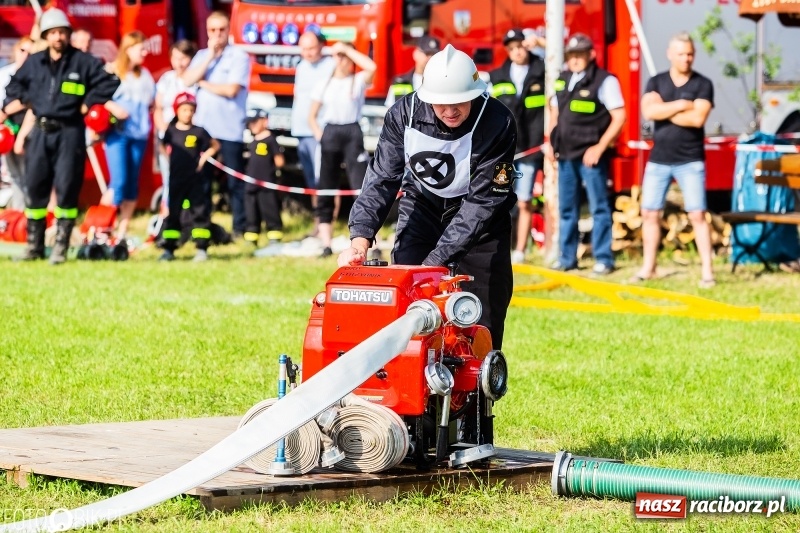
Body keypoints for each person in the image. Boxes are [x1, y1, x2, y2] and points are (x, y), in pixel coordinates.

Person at [337, 45, 517, 349]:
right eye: (440, 103)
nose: (450, 111)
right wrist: (360, 237)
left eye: (459, 101)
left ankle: (475, 392)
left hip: (482, 223)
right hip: (423, 206)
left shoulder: (498, 122)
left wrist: (434, 264)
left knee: (482, 318)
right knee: (407, 302)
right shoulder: (403, 115)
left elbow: (483, 203)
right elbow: (382, 177)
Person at [2, 8, 119, 264]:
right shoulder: (35, 62)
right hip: (41, 132)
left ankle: (60, 248)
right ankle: (34, 246)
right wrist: (29, 99)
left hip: (70, 132)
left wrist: (89, 102)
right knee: (35, 188)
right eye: (53, 33)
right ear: (46, 35)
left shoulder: (83, 62)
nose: (58, 37)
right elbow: (13, 86)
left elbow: (110, 82)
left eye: (62, 32)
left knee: (67, 189)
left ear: (68, 35)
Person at [634, 32, 715, 288]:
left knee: (698, 214)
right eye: (681, 54)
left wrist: (664, 111)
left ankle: (708, 273)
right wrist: (682, 104)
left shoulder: (703, 84)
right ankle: (649, 268)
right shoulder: (656, 81)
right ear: (670, 54)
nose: (686, 58)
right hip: (658, 160)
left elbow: (698, 120)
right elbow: (648, 111)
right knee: (649, 213)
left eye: (690, 54)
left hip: (690, 160)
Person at [546, 33, 626, 275]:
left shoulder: (605, 81)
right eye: (572, 54)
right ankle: (567, 258)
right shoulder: (562, 78)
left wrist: (600, 147)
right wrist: (550, 143)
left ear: (591, 55)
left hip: (591, 156)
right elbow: (554, 111)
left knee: (599, 208)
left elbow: (620, 116)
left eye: (580, 54)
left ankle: (604, 258)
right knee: (567, 209)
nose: (575, 59)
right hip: (566, 154)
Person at [182, 11, 251, 239]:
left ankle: (240, 228)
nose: (217, 34)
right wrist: (209, 57)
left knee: (235, 183)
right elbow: (187, 80)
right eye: (212, 30)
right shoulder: (202, 55)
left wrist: (205, 83)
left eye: (221, 29)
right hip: (204, 130)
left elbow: (231, 90)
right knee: (202, 181)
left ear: (228, 30)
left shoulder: (239, 56)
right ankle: (202, 225)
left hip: (229, 130)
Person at [309, 41, 376, 258]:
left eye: (344, 56)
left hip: (352, 132)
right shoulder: (325, 83)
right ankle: (326, 242)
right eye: (337, 56)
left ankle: (365, 241)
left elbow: (372, 68)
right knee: (326, 186)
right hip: (331, 132)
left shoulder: (356, 81)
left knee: (360, 186)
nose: (341, 60)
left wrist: (348, 50)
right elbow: (311, 114)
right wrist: (321, 135)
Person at [489, 28, 546, 264]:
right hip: (504, 152)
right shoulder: (496, 76)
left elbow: (560, 59)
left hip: (531, 149)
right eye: (511, 48)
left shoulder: (544, 71)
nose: (517, 51)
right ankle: (497, 246)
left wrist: (542, 42)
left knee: (524, 201)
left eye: (520, 46)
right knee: (497, 199)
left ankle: (520, 250)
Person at [102, 31, 156, 241]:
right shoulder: (113, 72)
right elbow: (98, 96)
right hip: (118, 133)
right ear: (129, 49)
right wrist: (114, 108)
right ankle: (102, 227)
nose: (144, 52)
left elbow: (152, 102)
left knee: (132, 184)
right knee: (119, 182)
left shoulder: (145, 76)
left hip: (139, 135)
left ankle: (122, 231)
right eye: (141, 48)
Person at [159, 92, 219, 262]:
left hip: (195, 180)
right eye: (184, 109)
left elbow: (215, 145)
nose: (187, 113)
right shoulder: (171, 131)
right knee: (174, 213)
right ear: (177, 110)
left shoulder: (199, 131)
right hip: (177, 178)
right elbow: (160, 146)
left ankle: (201, 248)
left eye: (191, 110)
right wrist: (167, 158)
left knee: (200, 211)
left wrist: (203, 159)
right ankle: (169, 248)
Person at [154, 39, 197, 212]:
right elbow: (157, 108)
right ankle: (168, 216)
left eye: (184, 58)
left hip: (188, 138)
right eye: (175, 58)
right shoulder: (166, 79)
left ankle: (188, 216)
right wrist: (165, 131)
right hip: (169, 137)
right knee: (168, 177)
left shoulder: (195, 80)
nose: (179, 63)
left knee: (188, 178)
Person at [292, 31, 334, 192]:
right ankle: (318, 214)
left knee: (324, 177)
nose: (307, 53)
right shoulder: (301, 66)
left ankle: (327, 216)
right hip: (300, 129)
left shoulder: (331, 65)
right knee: (310, 177)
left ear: (321, 46)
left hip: (320, 129)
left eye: (311, 48)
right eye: (303, 48)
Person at [243, 109, 285, 247]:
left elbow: (279, 161)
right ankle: (251, 236)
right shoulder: (253, 140)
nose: (251, 126)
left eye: (255, 122)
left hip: (266, 184)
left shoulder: (270, 139)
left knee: (269, 209)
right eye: (250, 123)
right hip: (251, 183)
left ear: (264, 121)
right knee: (251, 211)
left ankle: (274, 235)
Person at [0, 37, 32, 210]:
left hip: (26, 130)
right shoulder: (5, 73)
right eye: (22, 50)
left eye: (30, 51)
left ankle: (29, 214)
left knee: (28, 174)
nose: (26, 55)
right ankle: (17, 214)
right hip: (6, 131)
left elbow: (30, 101)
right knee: (13, 175)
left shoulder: (35, 74)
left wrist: (6, 111)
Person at [384, 35, 441, 108]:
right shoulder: (400, 82)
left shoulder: (442, 82)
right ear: (415, 54)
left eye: (434, 54)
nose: (430, 58)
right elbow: (390, 114)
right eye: (427, 53)